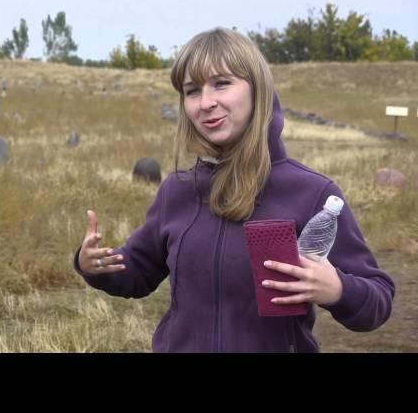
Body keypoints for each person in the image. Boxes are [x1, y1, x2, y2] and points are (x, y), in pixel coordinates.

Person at [72, 27, 395, 353]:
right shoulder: (177, 191)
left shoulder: (312, 193)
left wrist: (338, 288)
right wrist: (94, 265)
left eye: (222, 83)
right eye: (192, 90)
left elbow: (377, 300)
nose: (206, 103)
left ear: (258, 90)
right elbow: (139, 272)